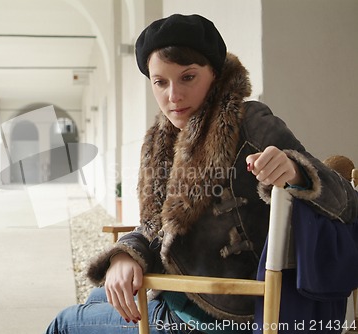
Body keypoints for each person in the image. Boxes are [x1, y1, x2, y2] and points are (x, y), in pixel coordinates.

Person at [45, 14, 358, 334]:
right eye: (160, 82)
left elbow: (347, 202)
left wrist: (295, 171)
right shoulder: (160, 142)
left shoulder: (250, 123)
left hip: (229, 316)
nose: (173, 95)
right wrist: (126, 255)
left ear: (215, 74)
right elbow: (156, 227)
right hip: (183, 295)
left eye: (188, 77)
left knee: (65, 322)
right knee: (100, 295)